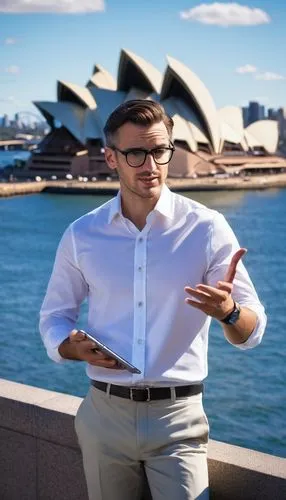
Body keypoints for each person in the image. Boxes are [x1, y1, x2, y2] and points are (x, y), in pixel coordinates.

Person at [39, 100, 267, 500]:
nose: (150, 165)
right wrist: (69, 347)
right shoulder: (82, 234)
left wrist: (228, 312)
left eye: (160, 151)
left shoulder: (207, 228)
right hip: (103, 415)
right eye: (135, 153)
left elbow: (252, 332)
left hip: (179, 419)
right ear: (111, 157)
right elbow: (55, 316)